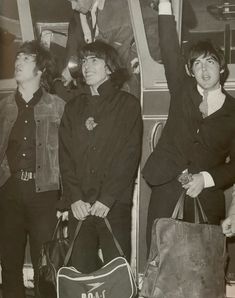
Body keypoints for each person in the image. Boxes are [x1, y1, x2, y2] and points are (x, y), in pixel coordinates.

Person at [142, 0, 235, 253]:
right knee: (160, 258)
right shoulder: (181, 89)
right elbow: (169, 46)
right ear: (190, 70)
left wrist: (204, 179)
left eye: (210, 62)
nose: (204, 70)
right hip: (166, 185)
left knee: (199, 265)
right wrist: (164, 5)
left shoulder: (233, 112)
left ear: (222, 67)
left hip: (204, 195)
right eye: (197, 64)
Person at [59, 40, 142, 273]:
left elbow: (129, 155)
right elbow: (65, 157)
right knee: (81, 275)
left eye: (94, 60)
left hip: (113, 205)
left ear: (109, 67)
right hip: (80, 207)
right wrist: (74, 198)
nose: (86, 65)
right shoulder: (72, 108)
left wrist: (108, 198)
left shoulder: (128, 105)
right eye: (84, 60)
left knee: (117, 275)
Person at [0, 40, 65, 298]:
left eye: (26, 59)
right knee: (10, 260)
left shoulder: (58, 106)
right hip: (9, 189)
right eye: (18, 58)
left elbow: (68, 156)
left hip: (45, 192)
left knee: (44, 263)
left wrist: (66, 198)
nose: (18, 62)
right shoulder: (3, 106)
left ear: (40, 69)